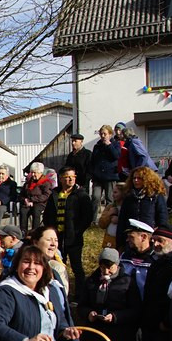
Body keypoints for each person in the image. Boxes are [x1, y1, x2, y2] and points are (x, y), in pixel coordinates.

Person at [43, 166, 93, 296]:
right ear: (61, 178)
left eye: (73, 177)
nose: (70, 179)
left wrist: (78, 231)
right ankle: (59, 293)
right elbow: (47, 214)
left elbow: (88, 216)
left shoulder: (81, 195)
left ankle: (80, 295)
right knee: (57, 265)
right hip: (57, 237)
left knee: (77, 267)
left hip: (74, 237)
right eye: (67, 177)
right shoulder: (54, 194)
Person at [117, 167, 168, 249]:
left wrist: (158, 234)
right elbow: (122, 220)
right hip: (131, 237)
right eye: (134, 178)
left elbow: (162, 216)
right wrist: (120, 244)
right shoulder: (129, 197)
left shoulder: (156, 196)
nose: (136, 180)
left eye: (139, 178)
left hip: (149, 237)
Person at [90, 126, 120, 219]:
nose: (103, 136)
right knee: (95, 197)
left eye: (105, 134)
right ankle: (93, 220)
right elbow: (93, 160)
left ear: (110, 134)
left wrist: (109, 145)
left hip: (110, 176)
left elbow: (116, 156)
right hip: (98, 177)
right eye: (101, 134)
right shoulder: (97, 146)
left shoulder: (115, 144)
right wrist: (93, 173)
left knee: (110, 199)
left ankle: (108, 219)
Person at [19, 163, 53, 234]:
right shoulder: (28, 182)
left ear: (40, 172)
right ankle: (23, 232)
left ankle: (35, 232)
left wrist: (32, 200)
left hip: (41, 203)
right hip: (28, 202)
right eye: (32, 172)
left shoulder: (46, 182)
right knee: (23, 210)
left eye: (35, 173)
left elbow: (46, 196)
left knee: (36, 211)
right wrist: (25, 200)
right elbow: (21, 194)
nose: (33, 174)